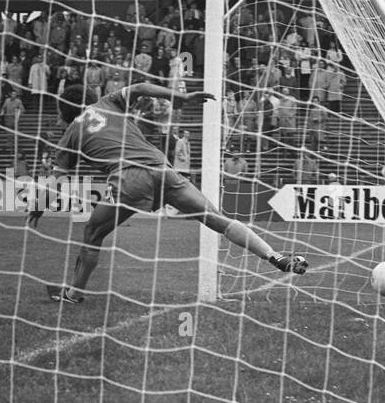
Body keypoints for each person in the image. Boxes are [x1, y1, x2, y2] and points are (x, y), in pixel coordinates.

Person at [29, 82, 307, 304]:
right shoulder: (109, 102)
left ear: (64, 111)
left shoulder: (70, 135)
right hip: (164, 168)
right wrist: (180, 98)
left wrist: (40, 204)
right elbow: (139, 87)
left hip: (130, 179)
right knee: (217, 220)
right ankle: (275, 257)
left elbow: (57, 179)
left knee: (92, 232)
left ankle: (74, 294)